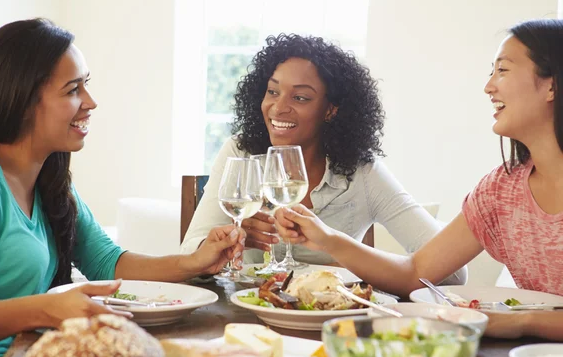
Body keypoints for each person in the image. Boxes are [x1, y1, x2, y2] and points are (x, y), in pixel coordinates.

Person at [0, 18, 244, 357]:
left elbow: (107, 263)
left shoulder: (50, 178)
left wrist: (193, 261)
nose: (91, 102)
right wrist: (46, 309)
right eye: (72, 90)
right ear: (22, 99)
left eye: (86, 85)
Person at [274, 19, 563, 340]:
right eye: (490, 72)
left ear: (552, 85)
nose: (489, 86)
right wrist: (328, 238)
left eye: (503, 70)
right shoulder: (501, 190)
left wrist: (524, 322)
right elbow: (415, 273)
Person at [180, 33, 466, 284]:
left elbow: (453, 273)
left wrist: (346, 256)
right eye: (273, 91)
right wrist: (223, 244)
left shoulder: (361, 172)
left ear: (330, 110)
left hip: (330, 322)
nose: (279, 108)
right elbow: (187, 255)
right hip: (242, 319)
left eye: (300, 98)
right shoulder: (241, 153)